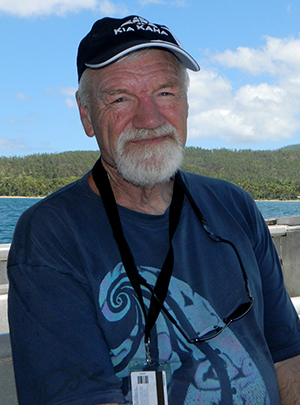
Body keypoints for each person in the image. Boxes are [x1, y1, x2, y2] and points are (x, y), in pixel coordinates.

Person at [7, 15, 300, 405]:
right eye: (121, 98)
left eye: (165, 93)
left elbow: (286, 357)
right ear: (86, 114)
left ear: (186, 103)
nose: (149, 119)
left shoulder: (236, 206)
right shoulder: (50, 236)